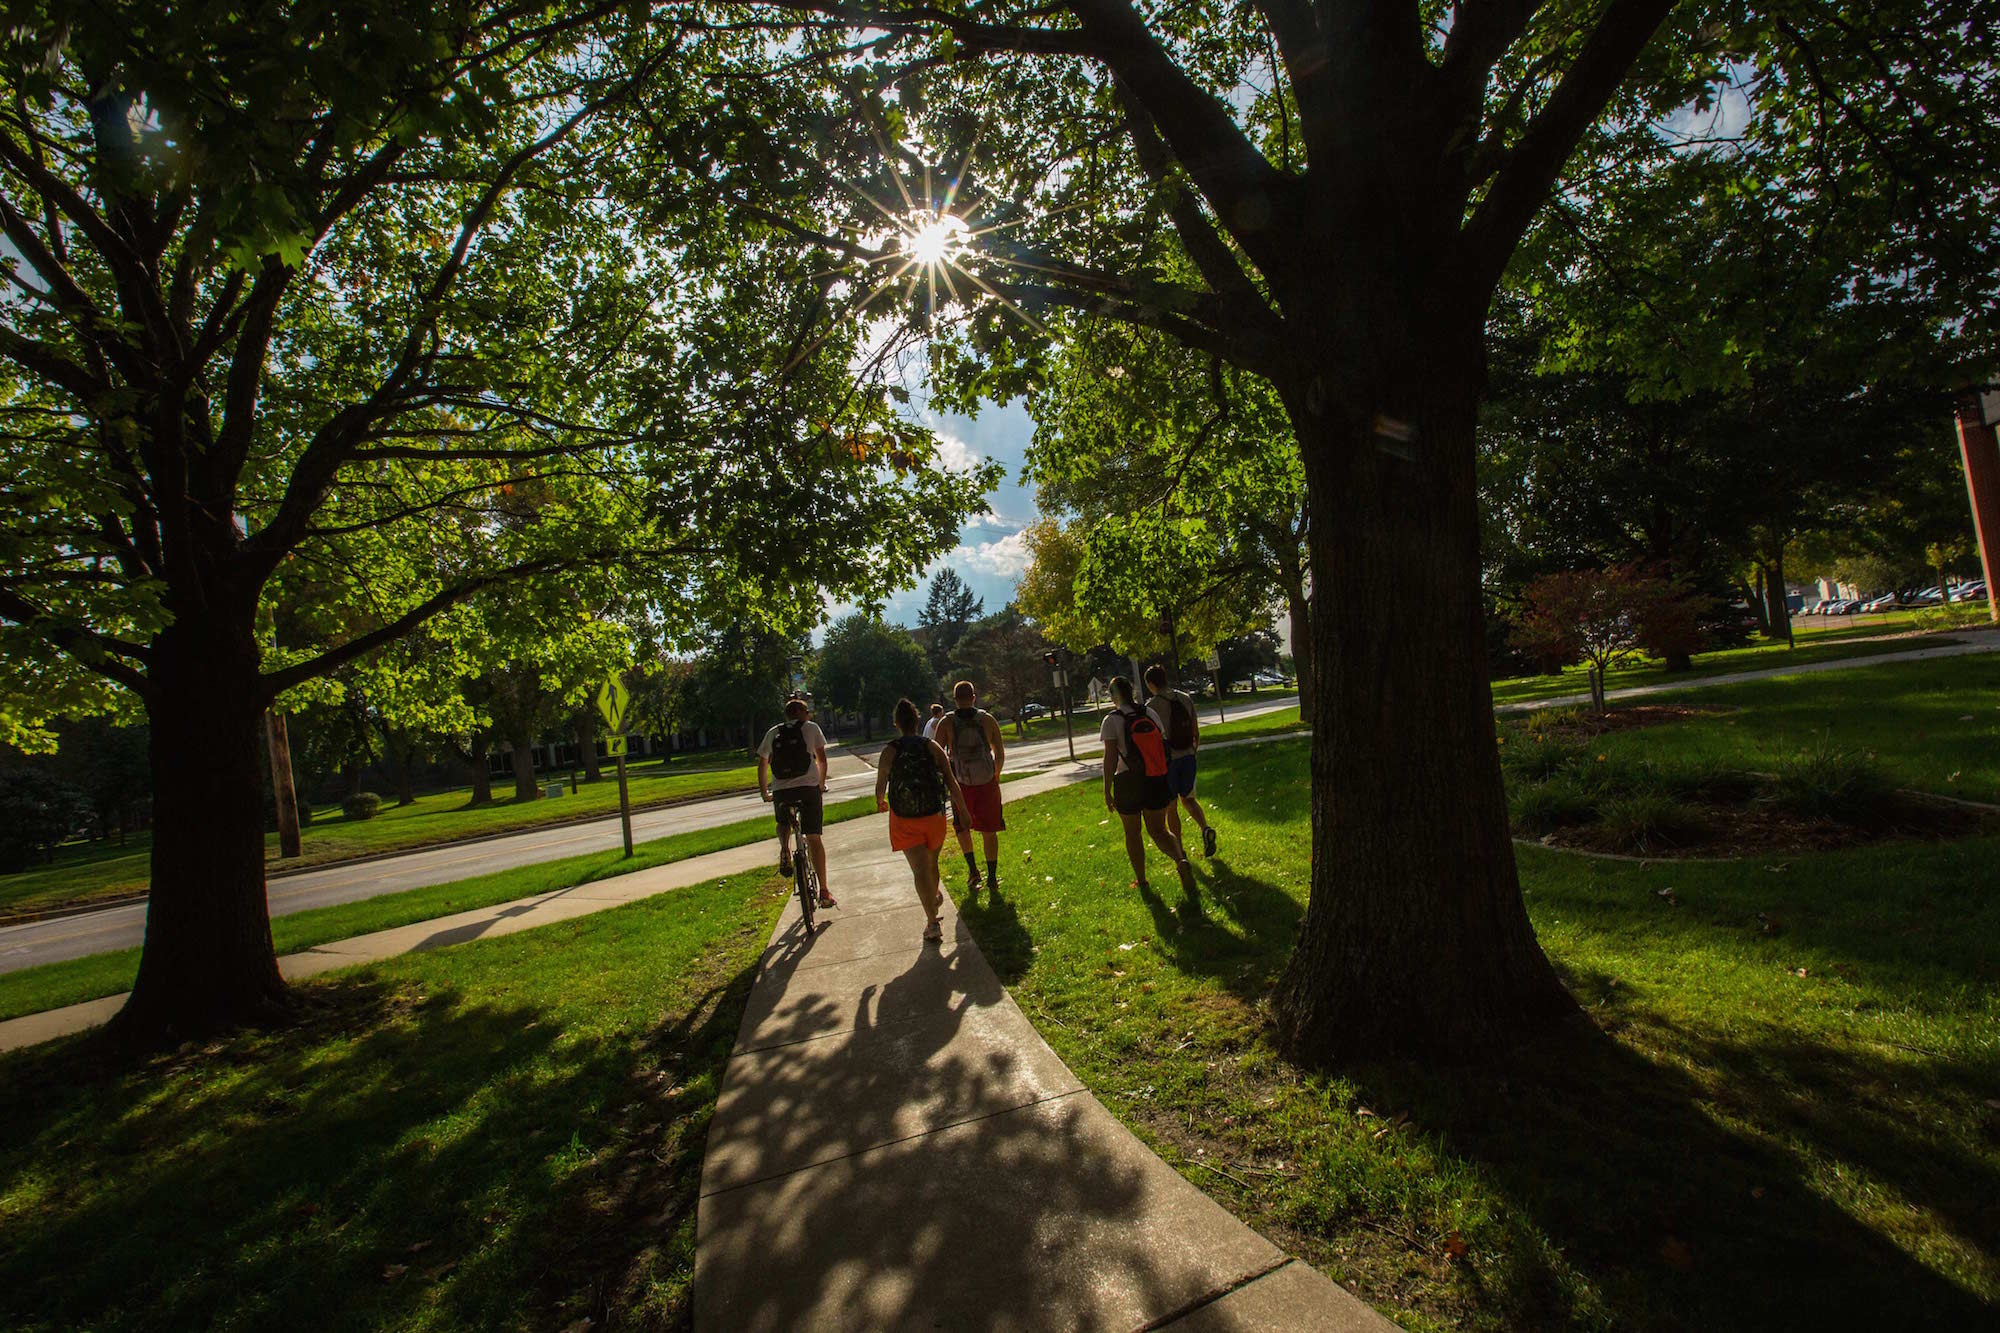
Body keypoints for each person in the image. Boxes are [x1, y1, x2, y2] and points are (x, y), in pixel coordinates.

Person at [876, 697, 969, 943]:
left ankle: (932, 922)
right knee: (932, 863)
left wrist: (880, 801)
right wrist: (963, 810)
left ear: (896, 723)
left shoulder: (889, 751)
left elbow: (880, 785)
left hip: (904, 818)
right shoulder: (931, 747)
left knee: (919, 870)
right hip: (933, 816)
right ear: (918, 721)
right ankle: (933, 897)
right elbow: (950, 780)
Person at [1100, 676, 1195, 894]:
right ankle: (1180, 860)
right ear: (1132, 691)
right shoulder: (1149, 714)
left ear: (1114, 695)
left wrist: (1107, 790)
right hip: (1155, 778)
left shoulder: (1111, 720)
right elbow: (1162, 747)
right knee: (1160, 831)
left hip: (1128, 782)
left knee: (1132, 833)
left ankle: (1142, 881)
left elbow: (1110, 758)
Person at [757, 694, 835, 907]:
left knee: (783, 822)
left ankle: (784, 848)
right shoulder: (811, 728)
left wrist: (765, 792)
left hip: (782, 790)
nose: (809, 715)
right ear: (801, 713)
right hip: (808, 789)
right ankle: (825, 892)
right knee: (814, 838)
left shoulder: (773, 732)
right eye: (807, 712)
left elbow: (763, 763)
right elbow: (822, 759)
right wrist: (820, 784)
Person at [933, 679, 1006, 897]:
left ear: (954, 700)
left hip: (960, 785)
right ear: (974, 697)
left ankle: (973, 871)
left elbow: (938, 756)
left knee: (962, 828)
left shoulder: (946, 723)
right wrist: (995, 774)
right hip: (986, 783)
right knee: (989, 830)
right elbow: (1000, 753)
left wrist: (948, 780)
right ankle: (992, 876)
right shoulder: (988, 720)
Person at [1145, 664, 1217, 857]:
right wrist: (1193, 751)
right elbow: (1196, 731)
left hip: (1168, 761)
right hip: (1188, 756)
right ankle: (1205, 828)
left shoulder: (1151, 707)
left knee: (1171, 806)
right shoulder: (1185, 698)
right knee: (1189, 799)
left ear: (1151, 684)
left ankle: (1180, 850)